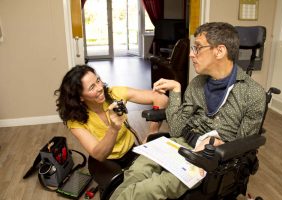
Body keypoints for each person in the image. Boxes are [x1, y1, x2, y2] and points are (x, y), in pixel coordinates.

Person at [109, 22, 266, 200]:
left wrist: (216, 145)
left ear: (220, 51)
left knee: (149, 189)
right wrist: (176, 90)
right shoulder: (197, 84)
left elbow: (243, 147)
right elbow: (176, 130)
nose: (191, 54)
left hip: (209, 160)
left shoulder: (253, 93)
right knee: (136, 171)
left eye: (197, 48)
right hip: (180, 143)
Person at [54, 64, 168, 191]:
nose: (99, 88)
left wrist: (152, 132)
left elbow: (161, 98)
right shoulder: (75, 120)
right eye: (92, 87)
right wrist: (113, 129)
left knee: (147, 182)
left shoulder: (114, 93)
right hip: (104, 162)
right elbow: (99, 155)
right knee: (122, 189)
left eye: (98, 80)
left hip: (131, 152)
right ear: (80, 97)